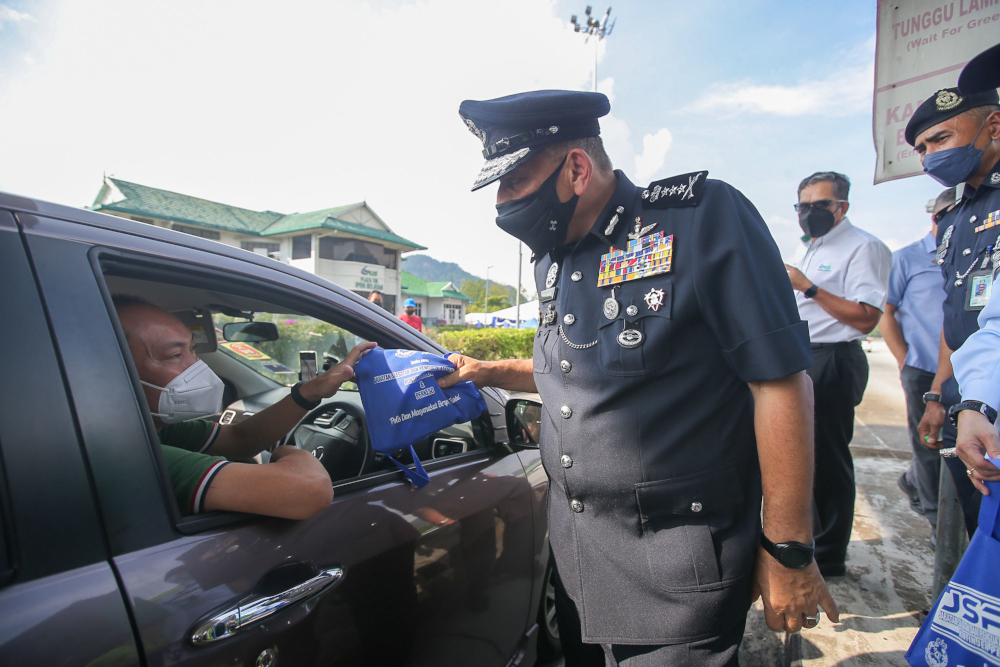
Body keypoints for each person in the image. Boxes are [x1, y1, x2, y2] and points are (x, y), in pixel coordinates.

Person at [440, 90, 838, 666]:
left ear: (575, 168)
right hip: (580, 564)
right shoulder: (554, 258)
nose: (503, 203)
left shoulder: (699, 219)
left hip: (676, 571)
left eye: (515, 180)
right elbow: (580, 367)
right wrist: (488, 371)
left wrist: (788, 550)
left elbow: (777, 382)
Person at [113, 296, 375, 518]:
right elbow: (310, 489)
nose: (196, 367)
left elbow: (239, 439)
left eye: (193, 350)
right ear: (113, 369)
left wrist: (311, 391)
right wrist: (290, 450)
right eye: (173, 356)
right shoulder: (125, 456)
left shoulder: (153, 428)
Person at [784, 171, 891, 576]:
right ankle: (806, 539)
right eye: (803, 206)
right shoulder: (810, 246)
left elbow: (866, 317)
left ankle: (828, 556)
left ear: (841, 207)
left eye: (820, 205)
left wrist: (808, 287)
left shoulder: (863, 248)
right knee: (799, 456)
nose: (810, 213)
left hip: (835, 358)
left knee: (827, 458)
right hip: (804, 354)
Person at [904, 86, 1000, 536]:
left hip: (993, 402)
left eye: (940, 139)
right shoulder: (958, 217)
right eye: (922, 149)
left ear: (993, 126)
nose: (929, 157)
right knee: (980, 525)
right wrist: (941, 396)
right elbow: (955, 314)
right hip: (967, 401)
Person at [879, 188, 954, 541]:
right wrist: (905, 359)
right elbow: (886, 312)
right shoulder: (908, 258)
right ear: (937, 217)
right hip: (924, 368)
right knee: (929, 444)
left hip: (965, 370)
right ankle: (936, 518)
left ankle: (915, 484)